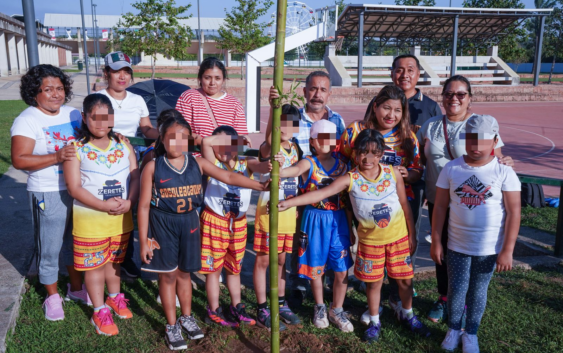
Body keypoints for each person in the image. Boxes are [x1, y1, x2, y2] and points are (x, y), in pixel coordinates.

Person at [279, 129, 430, 343]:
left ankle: (408, 314)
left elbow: (405, 205)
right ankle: (375, 320)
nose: (368, 158)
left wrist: (412, 235)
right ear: (355, 153)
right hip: (370, 243)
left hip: (398, 239)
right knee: (374, 283)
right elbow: (322, 193)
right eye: (362, 153)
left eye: (374, 153)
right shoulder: (351, 178)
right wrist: (289, 202)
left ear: (381, 154)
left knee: (404, 281)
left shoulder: (392, 173)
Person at [137, 111, 270, 350]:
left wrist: (260, 185)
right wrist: (145, 238)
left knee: (185, 274)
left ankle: (187, 318)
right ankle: (171, 325)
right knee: (167, 277)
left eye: (183, 137)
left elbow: (229, 176)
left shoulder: (197, 163)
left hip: (189, 223)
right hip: (163, 225)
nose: (178, 142)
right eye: (171, 137)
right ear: (161, 140)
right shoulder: (153, 167)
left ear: (189, 140)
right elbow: (144, 205)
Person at [417, 75, 514, 324]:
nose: (454, 98)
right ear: (442, 97)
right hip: (439, 200)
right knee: (442, 253)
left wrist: (506, 162)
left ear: (470, 98)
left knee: (472, 254)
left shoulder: (480, 125)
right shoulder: (430, 125)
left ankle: (469, 301)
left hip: (471, 203)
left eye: (461, 94)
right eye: (449, 93)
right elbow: (419, 157)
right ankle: (445, 298)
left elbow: (497, 158)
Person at [431, 115, 521, 353]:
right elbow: (440, 207)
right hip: (457, 245)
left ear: (494, 141)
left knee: (478, 290)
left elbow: (513, 213)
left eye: (483, 140)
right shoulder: (452, 168)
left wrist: (507, 250)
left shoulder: (504, 172)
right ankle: (453, 328)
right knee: (457, 289)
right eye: (471, 139)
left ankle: (470, 333)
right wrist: (437, 242)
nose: (476, 145)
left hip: (488, 249)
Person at [11, 64, 90, 321]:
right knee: (50, 247)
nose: (56, 94)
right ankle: (52, 296)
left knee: (73, 242)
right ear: (35, 93)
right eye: (48, 89)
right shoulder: (27, 119)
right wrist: (56, 156)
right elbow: (19, 160)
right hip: (47, 191)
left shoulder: (73, 114)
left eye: (59, 88)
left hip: (77, 189)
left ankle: (76, 289)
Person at [339, 85, 423, 319]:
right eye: (386, 107)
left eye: (397, 110)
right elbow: (342, 161)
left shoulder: (408, 137)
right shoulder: (356, 131)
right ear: (375, 106)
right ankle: (372, 305)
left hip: (397, 209)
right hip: (361, 207)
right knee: (368, 256)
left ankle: (400, 303)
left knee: (401, 262)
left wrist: (409, 174)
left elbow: (417, 169)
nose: (391, 115)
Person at [63, 94, 139, 336]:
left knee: (115, 262)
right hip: (90, 222)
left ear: (113, 119)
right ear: (84, 118)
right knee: (94, 267)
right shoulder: (75, 149)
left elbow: (135, 176)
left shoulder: (124, 145)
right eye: (94, 117)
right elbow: (74, 188)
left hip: (121, 220)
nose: (100, 123)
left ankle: (115, 298)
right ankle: (99, 310)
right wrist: (102, 205)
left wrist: (130, 201)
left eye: (106, 118)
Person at [269, 71, 346, 302]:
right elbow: (272, 140)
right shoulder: (292, 118)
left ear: (329, 93)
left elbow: (341, 155)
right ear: (304, 91)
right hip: (298, 190)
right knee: (300, 242)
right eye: (313, 89)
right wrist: (274, 107)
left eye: (323, 90)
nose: (317, 94)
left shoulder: (337, 120)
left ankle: (331, 285)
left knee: (328, 241)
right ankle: (299, 284)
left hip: (328, 194)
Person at [274, 120, 353, 332]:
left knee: (342, 268)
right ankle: (319, 306)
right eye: (321, 138)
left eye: (330, 138)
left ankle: (337, 308)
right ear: (312, 141)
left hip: (338, 221)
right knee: (315, 266)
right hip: (313, 219)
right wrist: (279, 165)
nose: (326, 142)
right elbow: (291, 171)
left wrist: (351, 228)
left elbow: (348, 201)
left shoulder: (344, 166)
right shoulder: (309, 162)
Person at [199, 126, 271, 327]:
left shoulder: (245, 161)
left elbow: (260, 166)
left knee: (234, 268)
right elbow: (205, 142)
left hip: (237, 224)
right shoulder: (211, 161)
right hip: (215, 221)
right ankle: (214, 309)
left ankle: (236, 306)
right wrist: (234, 140)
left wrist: (242, 148)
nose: (223, 149)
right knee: (213, 269)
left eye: (228, 145)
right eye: (219, 145)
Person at [98, 51, 158, 279]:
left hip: (131, 160)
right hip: (105, 161)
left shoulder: (137, 100)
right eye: (116, 71)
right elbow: (95, 127)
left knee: (130, 206)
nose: (122, 77)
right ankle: (103, 255)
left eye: (126, 71)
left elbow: (146, 129)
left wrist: (162, 133)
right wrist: (113, 135)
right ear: (106, 73)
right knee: (108, 205)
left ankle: (125, 257)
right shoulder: (99, 98)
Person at [252, 104, 302, 331]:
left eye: (291, 123)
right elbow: (269, 138)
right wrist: (273, 108)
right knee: (263, 261)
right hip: (268, 213)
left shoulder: (295, 148)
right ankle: (262, 306)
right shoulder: (269, 147)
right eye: (282, 122)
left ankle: (280, 304)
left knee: (282, 261)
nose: (286, 127)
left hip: (288, 215)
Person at [175, 57, 249, 153]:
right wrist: (209, 144)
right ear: (200, 78)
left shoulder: (235, 104)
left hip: (225, 161)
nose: (212, 83)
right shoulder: (189, 97)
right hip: (197, 160)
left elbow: (242, 142)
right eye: (207, 78)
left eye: (217, 78)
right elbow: (180, 133)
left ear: (223, 80)